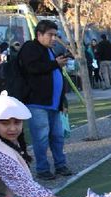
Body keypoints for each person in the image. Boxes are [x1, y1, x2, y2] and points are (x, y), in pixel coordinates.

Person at [17, 20, 72, 180]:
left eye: (55, 35)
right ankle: (42, 169)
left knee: (57, 136)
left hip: (53, 103)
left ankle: (60, 165)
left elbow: (54, 74)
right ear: (39, 34)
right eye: (50, 35)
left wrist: (62, 101)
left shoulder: (49, 50)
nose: (54, 38)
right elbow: (32, 68)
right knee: (41, 137)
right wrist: (55, 64)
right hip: (38, 103)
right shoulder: (30, 47)